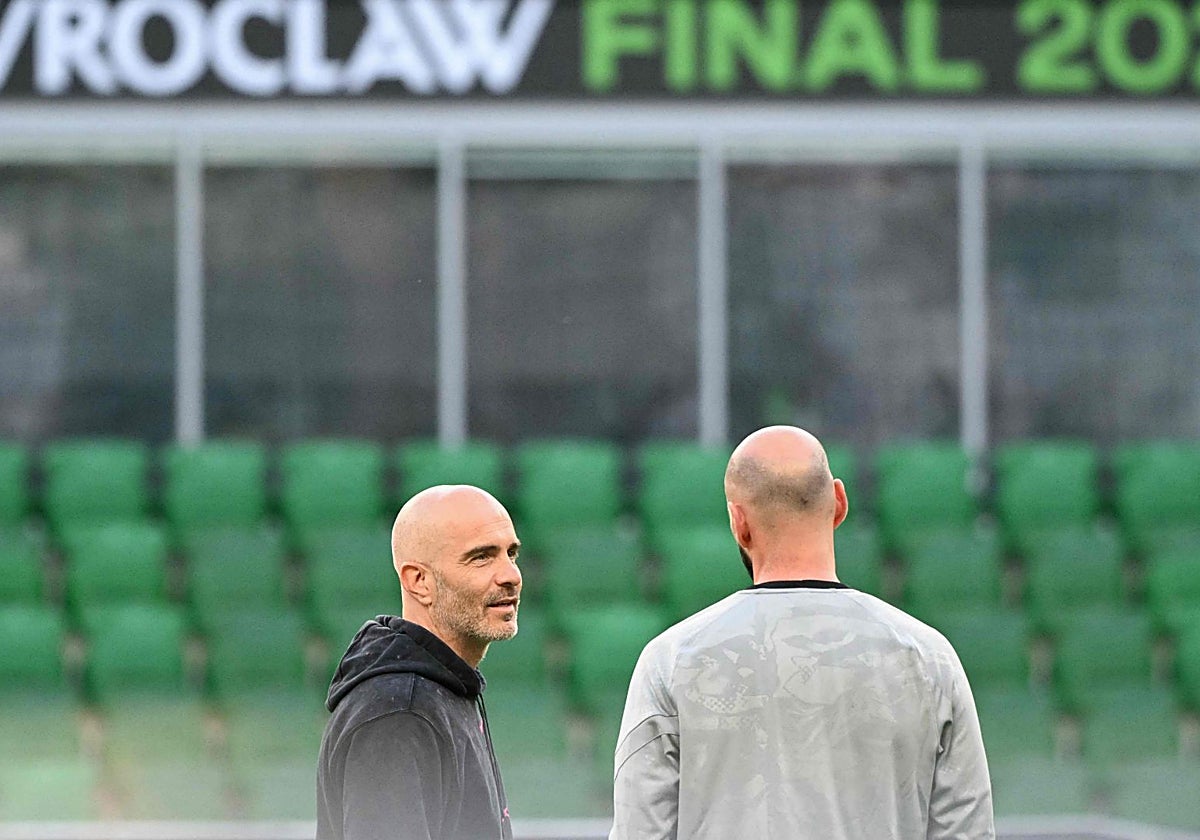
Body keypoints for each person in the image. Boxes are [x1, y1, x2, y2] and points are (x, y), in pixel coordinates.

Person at [610, 426, 994, 840]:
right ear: (840, 504)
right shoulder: (929, 658)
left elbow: (641, 831)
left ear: (739, 523)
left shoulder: (672, 661)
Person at [316, 484, 522, 840]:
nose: (511, 575)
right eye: (481, 557)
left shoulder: (444, 689)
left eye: (511, 553)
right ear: (419, 581)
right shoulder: (399, 714)